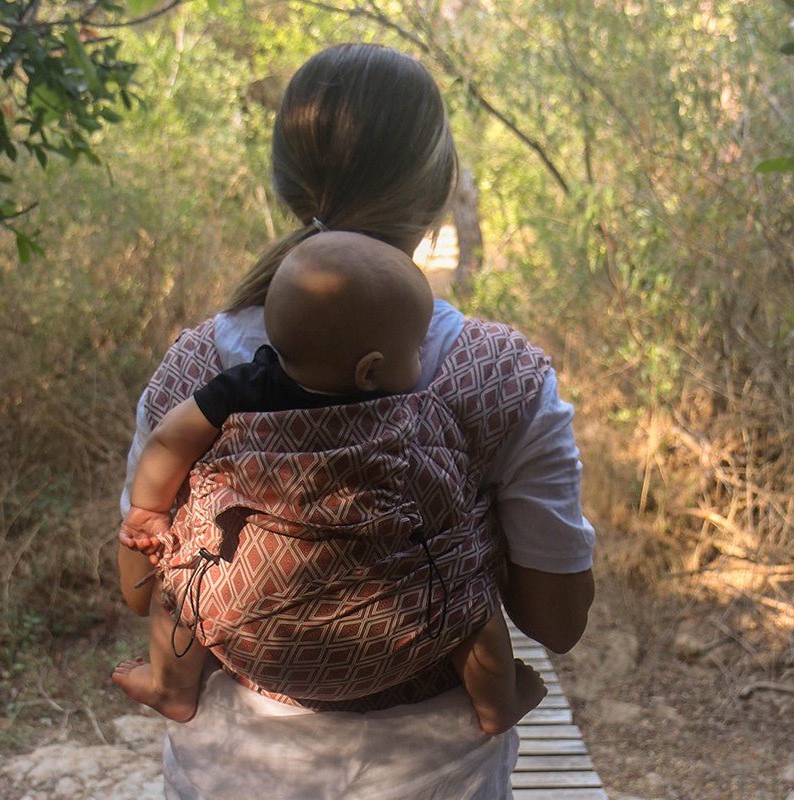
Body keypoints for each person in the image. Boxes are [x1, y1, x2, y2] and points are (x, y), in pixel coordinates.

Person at [118, 43, 595, 800]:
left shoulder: (194, 373)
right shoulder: (504, 376)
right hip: (439, 774)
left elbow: (145, 587)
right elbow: (559, 622)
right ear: (437, 185)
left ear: (284, 184)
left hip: (230, 773)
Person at [114, 230, 547, 733]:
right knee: (469, 592)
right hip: (398, 631)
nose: (422, 359)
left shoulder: (240, 388)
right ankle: (496, 704)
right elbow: (448, 504)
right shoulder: (413, 416)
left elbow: (168, 442)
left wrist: (148, 509)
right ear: (370, 370)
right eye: (416, 349)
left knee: (180, 581)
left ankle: (172, 686)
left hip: (245, 618)